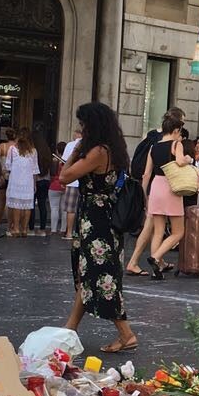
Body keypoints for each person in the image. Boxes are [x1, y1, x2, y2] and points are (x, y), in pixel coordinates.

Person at [60, 102, 136, 354]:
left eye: (83, 125)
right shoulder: (113, 149)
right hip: (100, 219)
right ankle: (70, 328)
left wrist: (76, 150)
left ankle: (126, 333)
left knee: (102, 278)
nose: (81, 130)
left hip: (96, 222)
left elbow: (65, 177)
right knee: (88, 275)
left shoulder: (97, 152)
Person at [124, 107, 185, 276]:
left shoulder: (153, 147)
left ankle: (157, 267)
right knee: (178, 231)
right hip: (170, 187)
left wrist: (144, 195)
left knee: (157, 230)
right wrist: (187, 159)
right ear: (175, 130)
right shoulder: (176, 144)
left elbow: (146, 173)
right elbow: (180, 162)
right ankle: (156, 257)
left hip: (155, 187)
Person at [2, 128, 40, 237]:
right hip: (28, 181)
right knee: (27, 205)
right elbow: (35, 169)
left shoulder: (13, 149)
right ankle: (24, 229)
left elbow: (8, 165)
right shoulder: (33, 151)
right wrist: (34, 183)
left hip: (15, 180)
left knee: (16, 205)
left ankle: (16, 228)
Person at [57, 126, 82, 239]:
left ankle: (69, 232)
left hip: (72, 181)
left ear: (77, 133)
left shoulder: (71, 145)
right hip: (83, 181)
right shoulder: (90, 145)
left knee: (71, 209)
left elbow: (64, 162)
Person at [30, 123, 54, 236]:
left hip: (35, 179)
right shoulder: (47, 150)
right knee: (42, 204)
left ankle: (30, 226)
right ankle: (43, 227)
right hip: (46, 179)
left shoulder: (33, 150)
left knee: (32, 204)